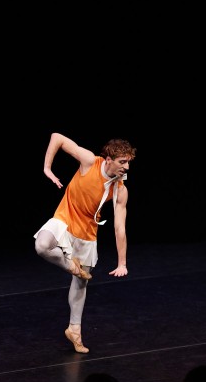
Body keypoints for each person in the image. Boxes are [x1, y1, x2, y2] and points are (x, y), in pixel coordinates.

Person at [34, 133, 136, 353]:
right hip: (65, 219)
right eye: (122, 162)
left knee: (80, 284)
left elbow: (120, 228)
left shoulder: (120, 190)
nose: (127, 167)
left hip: (87, 233)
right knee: (42, 245)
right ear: (108, 159)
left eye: (129, 162)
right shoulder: (90, 161)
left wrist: (122, 263)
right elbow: (56, 137)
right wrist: (47, 168)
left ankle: (74, 330)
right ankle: (72, 267)